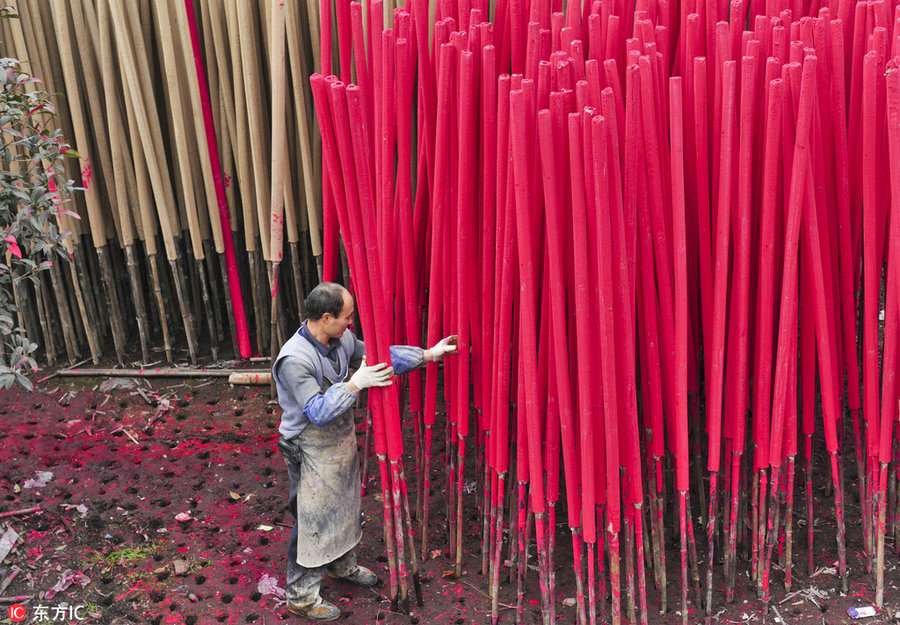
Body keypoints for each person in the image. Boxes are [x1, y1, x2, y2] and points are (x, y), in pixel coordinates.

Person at [273, 282, 457, 621]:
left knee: (344, 506)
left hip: (338, 442)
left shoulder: (340, 339)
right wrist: (357, 383)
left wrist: (428, 354)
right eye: (347, 317)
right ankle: (301, 596)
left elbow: (377, 356)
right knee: (313, 521)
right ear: (326, 317)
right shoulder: (295, 359)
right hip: (308, 446)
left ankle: (341, 567)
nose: (351, 323)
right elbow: (316, 411)